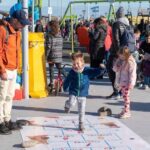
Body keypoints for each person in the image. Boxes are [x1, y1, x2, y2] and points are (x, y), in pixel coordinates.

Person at [0, 10, 30, 134]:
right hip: (5, 69)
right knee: (1, 97)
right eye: (22, 23)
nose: (23, 26)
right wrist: (2, 70)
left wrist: (17, 68)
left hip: (13, 69)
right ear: (15, 20)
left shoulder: (17, 32)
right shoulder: (3, 30)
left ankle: (7, 119)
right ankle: (1, 122)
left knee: (9, 96)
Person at [63, 51, 104, 131]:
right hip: (73, 92)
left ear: (82, 63)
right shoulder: (72, 72)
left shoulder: (86, 71)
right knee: (71, 103)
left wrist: (101, 69)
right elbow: (67, 80)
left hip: (83, 94)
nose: (75, 66)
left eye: (77, 63)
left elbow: (95, 72)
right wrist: (65, 87)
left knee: (81, 110)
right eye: (74, 64)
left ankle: (81, 123)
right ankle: (67, 105)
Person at [107, 7, 131, 99]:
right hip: (126, 51)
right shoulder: (128, 24)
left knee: (111, 69)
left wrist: (118, 53)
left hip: (117, 52)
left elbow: (116, 39)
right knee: (122, 72)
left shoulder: (116, 24)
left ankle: (116, 91)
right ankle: (121, 91)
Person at [113, 47, 137, 119]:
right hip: (121, 81)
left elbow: (132, 73)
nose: (120, 57)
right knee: (124, 97)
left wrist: (131, 83)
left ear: (126, 55)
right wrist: (117, 66)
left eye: (121, 55)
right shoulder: (120, 60)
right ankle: (125, 110)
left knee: (126, 97)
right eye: (119, 55)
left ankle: (127, 111)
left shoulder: (130, 62)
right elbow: (114, 69)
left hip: (127, 83)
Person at [45, 20, 64, 93]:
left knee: (51, 69)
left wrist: (46, 56)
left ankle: (52, 83)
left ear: (51, 26)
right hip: (59, 55)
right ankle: (60, 81)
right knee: (60, 69)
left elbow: (48, 47)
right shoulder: (60, 35)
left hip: (52, 55)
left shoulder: (49, 36)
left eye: (49, 26)